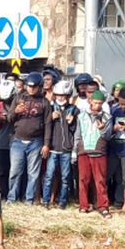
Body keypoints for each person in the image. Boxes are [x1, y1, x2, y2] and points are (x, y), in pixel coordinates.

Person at [3, 71, 51, 204]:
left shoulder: (44, 102)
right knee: (15, 172)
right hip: (17, 140)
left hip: (36, 142)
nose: (31, 88)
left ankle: (29, 200)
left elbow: (48, 124)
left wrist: (46, 144)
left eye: (34, 86)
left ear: (40, 86)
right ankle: (12, 198)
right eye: (29, 86)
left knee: (33, 174)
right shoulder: (18, 98)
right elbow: (9, 118)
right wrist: (15, 112)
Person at [74, 90, 112, 216]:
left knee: (100, 181)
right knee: (83, 179)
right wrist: (75, 151)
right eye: (95, 103)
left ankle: (103, 206)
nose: (97, 106)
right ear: (90, 101)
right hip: (83, 150)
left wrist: (102, 130)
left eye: (100, 103)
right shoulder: (81, 116)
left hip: (99, 151)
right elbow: (78, 134)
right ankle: (83, 205)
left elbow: (107, 137)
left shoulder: (107, 117)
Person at [44, 79, 78, 208]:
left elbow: (76, 131)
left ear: (68, 96)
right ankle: (46, 201)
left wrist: (73, 122)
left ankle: (63, 202)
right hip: (52, 148)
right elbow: (43, 126)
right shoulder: (51, 108)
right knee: (48, 176)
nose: (61, 98)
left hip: (66, 149)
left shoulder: (74, 110)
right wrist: (50, 118)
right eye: (58, 95)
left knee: (65, 178)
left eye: (63, 95)